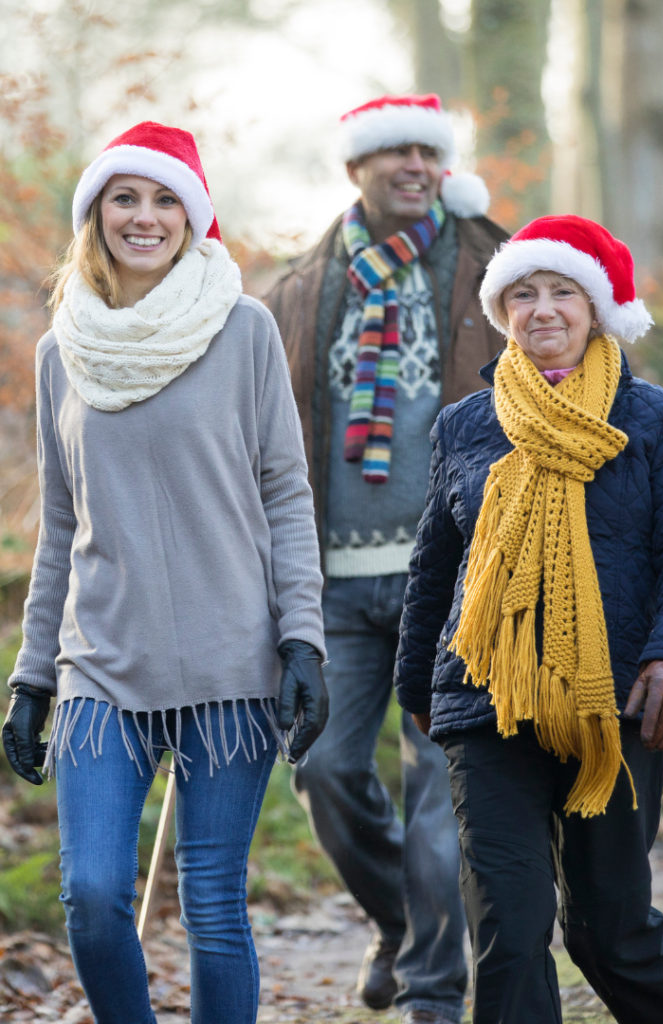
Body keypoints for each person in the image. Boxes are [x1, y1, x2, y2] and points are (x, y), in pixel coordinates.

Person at [0, 121, 328, 1024]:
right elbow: (62, 525)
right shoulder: (61, 353)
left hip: (232, 665)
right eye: (125, 198)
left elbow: (287, 493)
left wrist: (303, 638)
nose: (144, 217)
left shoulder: (245, 330)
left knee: (214, 907)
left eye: (164, 199)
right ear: (96, 215)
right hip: (101, 661)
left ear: (193, 215)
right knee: (93, 897)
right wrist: (33, 677)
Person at [393, 214, 663, 1023]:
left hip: (613, 703)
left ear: (598, 307)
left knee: (609, 930)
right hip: (484, 702)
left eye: (562, 291)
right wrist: (417, 688)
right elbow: (436, 567)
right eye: (523, 293)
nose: (542, 309)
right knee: (509, 923)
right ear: (502, 310)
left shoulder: (652, 419)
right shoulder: (464, 425)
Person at [263, 93, 508, 1024]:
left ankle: (435, 996)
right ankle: (404, 927)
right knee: (324, 770)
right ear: (354, 168)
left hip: (454, 576)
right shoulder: (297, 288)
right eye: (392, 152)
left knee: (441, 791)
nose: (414, 166)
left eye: (427, 152)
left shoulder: (496, 265)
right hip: (330, 584)